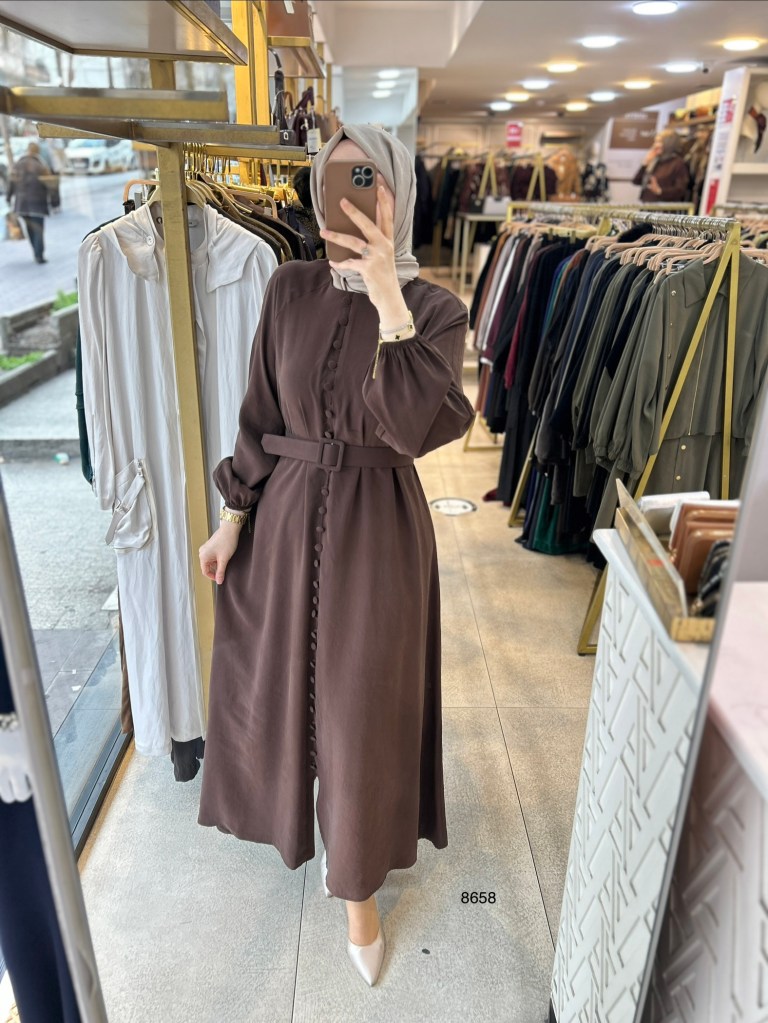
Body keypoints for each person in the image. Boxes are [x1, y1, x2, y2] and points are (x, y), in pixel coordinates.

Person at [197, 124, 474, 987]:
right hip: (282, 518)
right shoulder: (288, 287)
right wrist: (233, 517)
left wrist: (389, 295)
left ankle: (356, 882)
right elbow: (260, 413)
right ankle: (298, 825)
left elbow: (412, 426)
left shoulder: (437, 310)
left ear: (397, 190)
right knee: (285, 690)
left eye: (365, 179)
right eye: (332, 179)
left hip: (378, 528)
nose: (344, 197)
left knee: (362, 707)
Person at [6, 142, 52, 263]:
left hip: (22, 205)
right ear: (37, 151)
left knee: (30, 228)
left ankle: (36, 252)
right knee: (38, 229)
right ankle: (39, 255)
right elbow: (50, 184)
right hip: (37, 204)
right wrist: (54, 201)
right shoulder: (41, 165)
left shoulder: (18, 164)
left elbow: (11, 182)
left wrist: (8, 197)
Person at [633, 130, 691, 204]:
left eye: (659, 142)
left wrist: (660, 191)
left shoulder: (678, 163)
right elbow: (636, 181)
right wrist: (645, 163)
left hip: (664, 207)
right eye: (655, 142)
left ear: (669, 143)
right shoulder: (655, 161)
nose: (655, 145)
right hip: (647, 206)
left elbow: (680, 190)